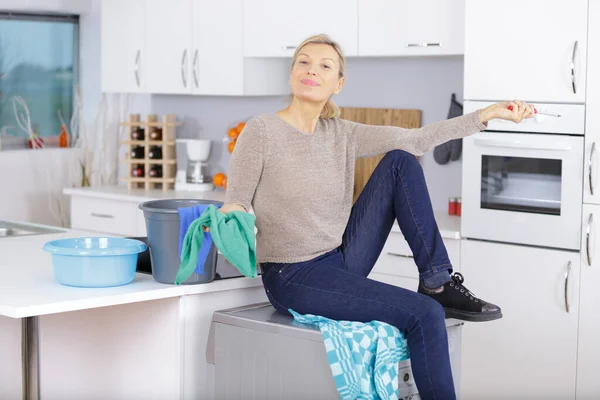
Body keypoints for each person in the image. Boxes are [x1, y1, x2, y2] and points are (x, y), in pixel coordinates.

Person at [220, 34, 535, 399]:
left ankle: (437, 281)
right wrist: (231, 218)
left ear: (338, 83)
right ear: (291, 73)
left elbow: (417, 139)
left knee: (401, 159)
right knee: (425, 315)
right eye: (303, 62)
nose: (312, 70)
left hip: (338, 260)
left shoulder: (344, 134)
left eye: (325, 66)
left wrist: (487, 115)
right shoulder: (260, 131)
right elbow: (236, 202)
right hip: (292, 275)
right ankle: (433, 301)